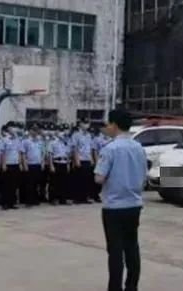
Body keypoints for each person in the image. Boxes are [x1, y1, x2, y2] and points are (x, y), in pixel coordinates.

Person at [94, 109, 147, 291]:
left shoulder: (110, 149)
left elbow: (99, 178)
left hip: (114, 206)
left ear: (115, 125)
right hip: (134, 204)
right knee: (132, 247)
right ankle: (131, 286)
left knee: (115, 251)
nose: (107, 128)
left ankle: (114, 288)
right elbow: (144, 176)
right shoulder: (139, 148)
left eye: (108, 124)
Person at [0, 123, 24, 210]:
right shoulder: (5, 140)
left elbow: (20, 152)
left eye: (14, 128)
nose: (13, 130)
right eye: (11, 128)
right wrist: (3, 164)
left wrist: (20, 164)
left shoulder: (18, 140)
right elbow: (2, 153)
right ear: (8, 129)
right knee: (6, 185)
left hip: (16, 164)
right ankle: (5, 203)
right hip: (8, 164)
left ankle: (12, 202)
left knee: (14, 185)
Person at [71, 119, 95, 204]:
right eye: (84, 123)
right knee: (79, 180)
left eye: (87, 123)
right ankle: (77, 198)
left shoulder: (89, 135)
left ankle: (85, 197)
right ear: (80, 124)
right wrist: (76, 160)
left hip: (87, 159)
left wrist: (92, 159)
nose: (86, 125)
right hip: (80, 159)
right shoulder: (76, 135)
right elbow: (74, 148)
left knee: (87, 180)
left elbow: (90, 148)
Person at [22, 128, 45, 206]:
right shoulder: (26, 141)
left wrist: (42, 163)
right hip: (30, 164)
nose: (34, 132)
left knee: (36, 183)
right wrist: (25, 164)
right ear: (30, 131)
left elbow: (42, 153)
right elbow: (23, 154)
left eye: (35, 130)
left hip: (38, 164)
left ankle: (35, 199)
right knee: (29, 184)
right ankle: (28, 201)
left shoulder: (40, 141)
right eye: (32, 130)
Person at [48, 130, 71, 205]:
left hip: (64, 163)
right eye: (61, 131)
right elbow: (50, 154)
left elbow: (68, 154)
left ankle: (63, 199)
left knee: (64, 182)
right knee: (54, 182)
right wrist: (51, 165)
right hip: (56, 163)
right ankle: (53, 199)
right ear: (57, 132)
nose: (63, 133)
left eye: (64, 130)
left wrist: (68, 164)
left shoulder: (66, 142)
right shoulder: (53, 142)